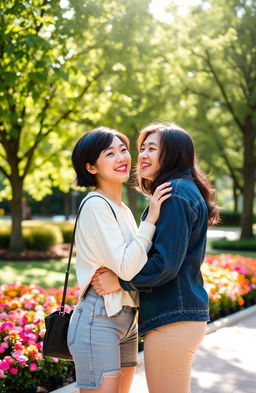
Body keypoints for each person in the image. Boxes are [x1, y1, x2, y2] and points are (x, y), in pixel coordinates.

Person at [91, 123, 220, 393]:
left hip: (174, 317)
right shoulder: (180, 189)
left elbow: (166, 264)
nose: (142, 156)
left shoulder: (174, 193)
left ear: (172, 154)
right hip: (178, 317)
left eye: (152, 148)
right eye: (142, 149)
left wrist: (120, 282)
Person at [68, 126, 172, 393]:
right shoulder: (94, 205)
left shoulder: (122, 209)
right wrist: (150, 219)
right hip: (99, 317)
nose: (122, 157)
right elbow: (127, 267)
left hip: (126, 319)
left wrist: (120, 279)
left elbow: (136, 265)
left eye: (123, 150)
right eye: (109, 153)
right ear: (91, 167)